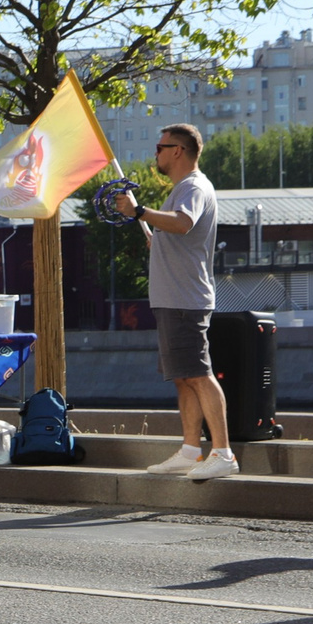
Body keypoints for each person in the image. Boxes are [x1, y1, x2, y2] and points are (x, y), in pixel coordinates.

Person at [114, 124, 235, 480]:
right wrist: (157, 237)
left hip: (185, 299)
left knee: (199, 375)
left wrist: (140, 212)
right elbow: (178, 232)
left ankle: (223, 452)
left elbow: (183, 223)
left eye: (160, 147)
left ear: (177, 151)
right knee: (184, 377)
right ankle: (189, 450)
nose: (156, 154)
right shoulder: (183, 189)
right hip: (174, 299)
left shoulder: (193, 186)